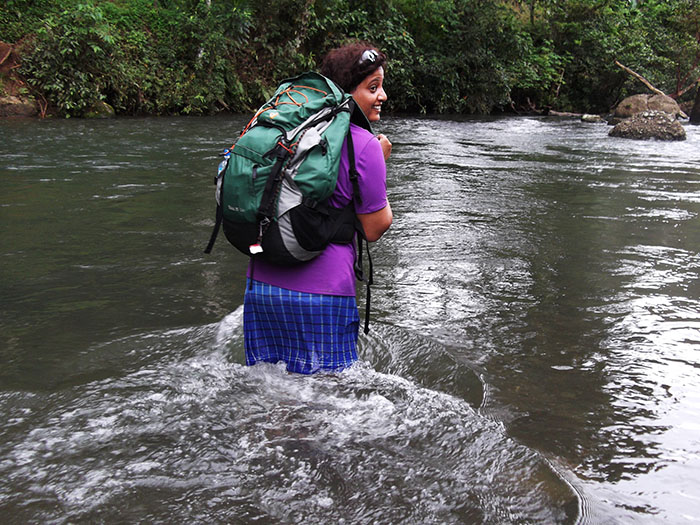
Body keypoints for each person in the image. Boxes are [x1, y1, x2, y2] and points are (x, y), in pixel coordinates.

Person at [243, 42, 393, 375]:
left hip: (262, 285)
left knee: (269, 400)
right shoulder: (366, 144)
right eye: (372, 88)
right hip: (323, 294)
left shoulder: (289, 132)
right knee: (327, 406)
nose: (382, 95)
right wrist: (380, 163)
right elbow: (375, 227)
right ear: (346, 93)